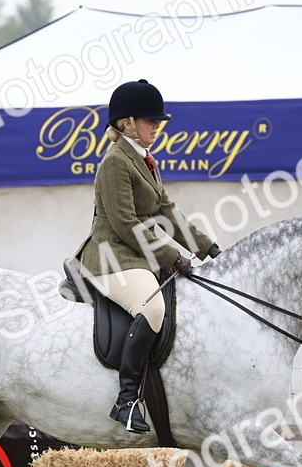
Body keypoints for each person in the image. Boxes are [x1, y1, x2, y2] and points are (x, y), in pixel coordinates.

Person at [72, 79, 221, 433]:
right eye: (150, 120)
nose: (157, 126)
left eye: (157, 121)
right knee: (153, 307)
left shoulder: (144, 161)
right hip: (111, 256)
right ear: (127, 124)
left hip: (137, 255)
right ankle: (126, 401)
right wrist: (173, 257)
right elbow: (125, 224)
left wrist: (208, 248)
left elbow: (167, 212)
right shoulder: (114, 163)